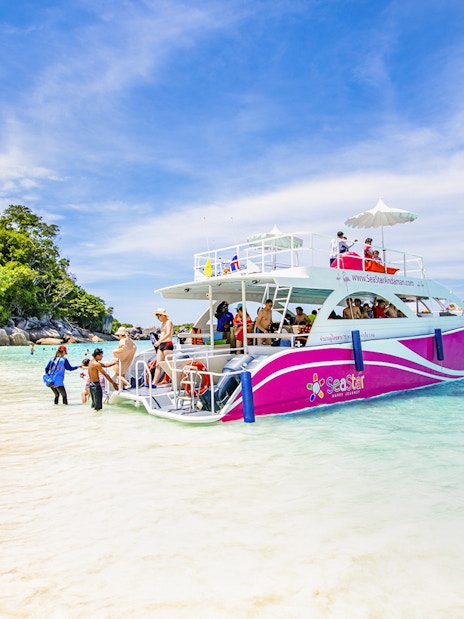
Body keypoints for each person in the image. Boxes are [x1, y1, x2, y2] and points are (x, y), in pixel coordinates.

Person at [152, 308, 174, 386]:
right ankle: (154, 383)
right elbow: (164, 334)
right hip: (161, 344)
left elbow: (168, 334)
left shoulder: (169, 322)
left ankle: (174, 381)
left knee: (169, 364)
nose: (158, 318)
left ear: (162, 315)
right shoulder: (163, 324)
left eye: (158, 316)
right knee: (158, 364)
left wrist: (159, 341)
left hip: (167, 344)